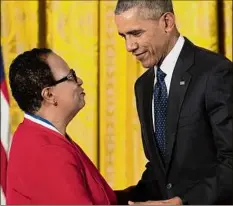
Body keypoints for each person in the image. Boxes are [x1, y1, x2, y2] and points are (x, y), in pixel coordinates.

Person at [114, 0, 233, 205]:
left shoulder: (214, 72)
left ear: (167, 22)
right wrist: (115, 199)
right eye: (123, 36)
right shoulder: (143, 86)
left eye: (136, 33)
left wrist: (183, 202)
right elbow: (161, 168)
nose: (129, 46)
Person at [6, 48, 117, 205]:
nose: (79, 80)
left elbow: (100, 198)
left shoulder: (37, 134)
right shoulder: (47, 150)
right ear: (49, 95)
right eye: (70, 76)